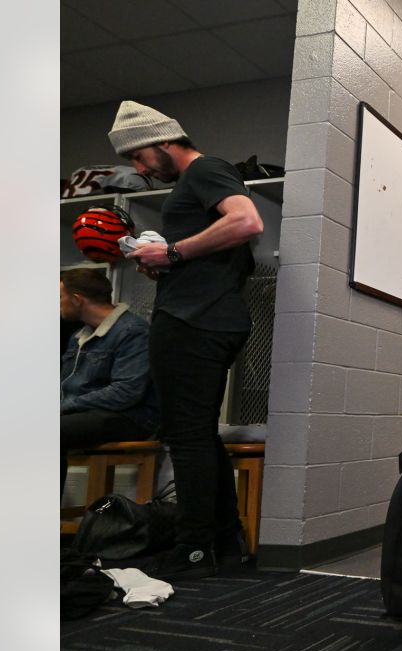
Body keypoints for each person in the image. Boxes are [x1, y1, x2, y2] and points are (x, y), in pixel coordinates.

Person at [107, 100, 264, 580]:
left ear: (160, 142)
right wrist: (161, 260)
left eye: (138, 157)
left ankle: (195, 545)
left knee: (187, 437)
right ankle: (222, 541)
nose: (138, 169)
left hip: (196, 321)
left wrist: (172, 253)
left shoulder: (205, 170)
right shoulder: (192, 187)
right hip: (203, 315)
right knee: (197, 435)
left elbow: (246, 221)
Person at [60, 269, 160, 496]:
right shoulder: (79, 336)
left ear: (77, 299)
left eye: (60, 298)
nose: (58, 305)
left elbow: (126, 392)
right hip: (87, 414)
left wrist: (64, 407)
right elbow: (66, 384)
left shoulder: (132, 332)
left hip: (132, 417)